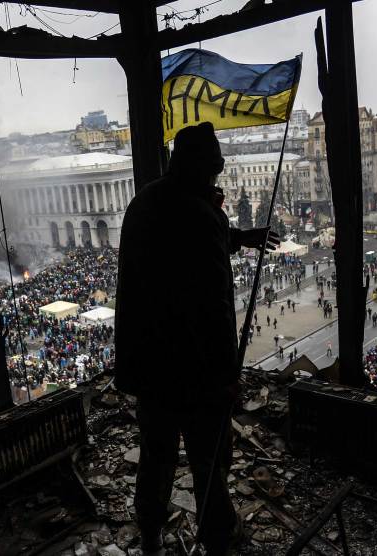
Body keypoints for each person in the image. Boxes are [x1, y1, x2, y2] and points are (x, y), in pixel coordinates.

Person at [115, 122, 278, 555]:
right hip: (194, 369)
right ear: (205, 169)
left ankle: (150, 531)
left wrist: (239, 238)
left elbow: (175, 245)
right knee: (210, 457)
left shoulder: (145, 202)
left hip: (149, 366)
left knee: (157, 457)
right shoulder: (202, 213)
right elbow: (214, 307)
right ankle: (217, 534)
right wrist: (227, 375)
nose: (215, 179)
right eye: (212, 172)